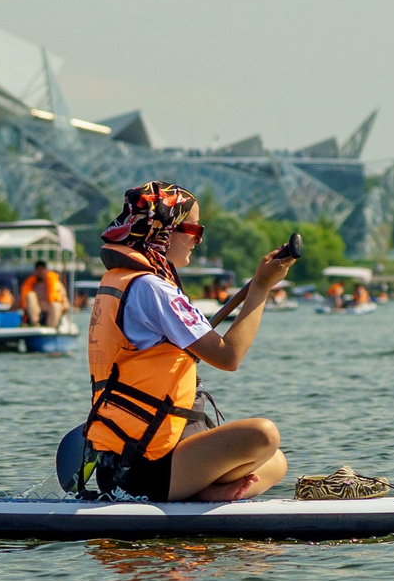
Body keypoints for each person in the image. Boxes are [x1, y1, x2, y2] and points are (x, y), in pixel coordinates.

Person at [69, 181, 290, 503]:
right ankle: (201, 495)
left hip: (127, 460)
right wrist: (261, 288)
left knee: (277, 462)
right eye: (193, 229)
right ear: (164, 229)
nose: (198, 239)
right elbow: (229, 357)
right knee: (263, 434)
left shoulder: (121, 280)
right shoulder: (151, 288)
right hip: (141, 468)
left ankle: (202, 492)